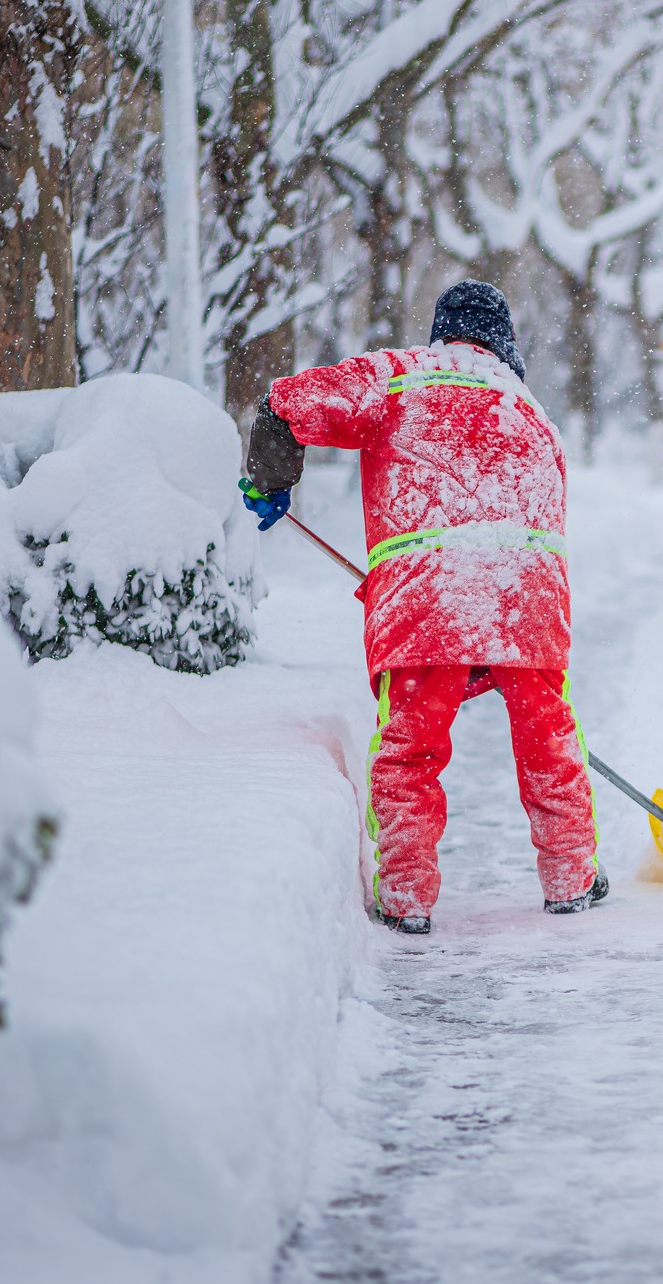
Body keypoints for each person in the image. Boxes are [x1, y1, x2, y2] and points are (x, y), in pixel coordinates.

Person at [240, 281, 605, 936]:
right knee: (548, 734)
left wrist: (271, 474)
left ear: (444, 333)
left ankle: (407, 897)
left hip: (427, 598)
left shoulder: (399, 376)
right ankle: (571, 876)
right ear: (505, 344)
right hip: (528, 597)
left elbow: (289, 401)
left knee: (410, 743)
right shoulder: (532, 412)